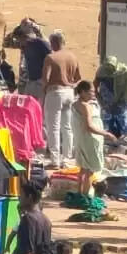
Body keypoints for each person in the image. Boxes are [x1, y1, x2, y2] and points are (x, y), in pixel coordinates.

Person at [40, 31, 81, 166]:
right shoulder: (73, 57)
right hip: (70, 93)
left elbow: (45, 79)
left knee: (53, 127)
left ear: (54, 43)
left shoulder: (50, 58)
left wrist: (44, 93)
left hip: (55, 93)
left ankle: (55, 159)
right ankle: (67, 158)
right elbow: (78, 78)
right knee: (67, 126)